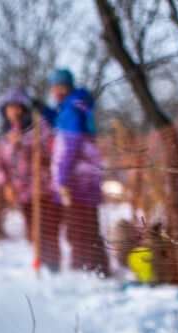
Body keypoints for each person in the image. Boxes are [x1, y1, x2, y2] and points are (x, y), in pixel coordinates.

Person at [48, 69, 110, 274]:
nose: (56, 91)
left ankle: (83, 272)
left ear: (68, 87)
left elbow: (70, 147)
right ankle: (101, 270)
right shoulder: (77, 107)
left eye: (59, 86)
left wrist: (63, 181)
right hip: (87, 176)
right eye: (53, 87)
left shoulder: (72, 111)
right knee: (89, 226)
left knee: (78, 229)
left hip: (77, 179)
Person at [0, 88, 61, 270]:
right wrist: (6, 185)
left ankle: (53, 267)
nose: (14, 113)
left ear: (25, 109)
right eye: (10, 109)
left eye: (18, 108)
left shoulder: (40, 127)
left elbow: (51, 151)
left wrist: (22, 143)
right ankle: (41, 264)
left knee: (47, 231)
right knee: (32, 232)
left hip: (44, 189)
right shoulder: (5, 136)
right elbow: (0, 163)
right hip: (22, 191)